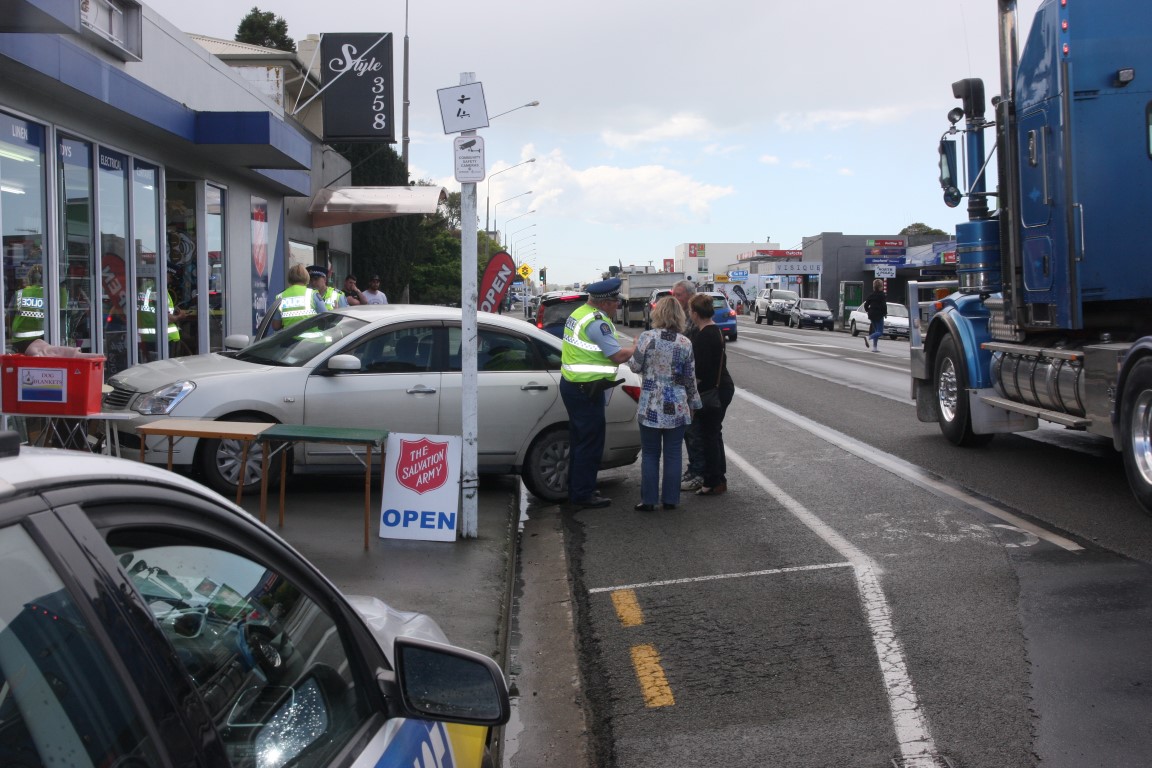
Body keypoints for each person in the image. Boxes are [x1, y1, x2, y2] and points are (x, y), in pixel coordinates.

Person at [560, 277, 636, 509]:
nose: (618, 307)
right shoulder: (596, 322)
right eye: (616, 302)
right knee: (589, 443)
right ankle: (583, 494)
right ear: (605, 303)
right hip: (585, 389)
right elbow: (617, 356)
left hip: (575, 386)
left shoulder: (580, 313)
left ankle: (578, 487)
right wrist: (636, 347)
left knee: (580, 440)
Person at [627, 296, 700, 511]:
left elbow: (634, 367)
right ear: (680, 316)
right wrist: (694, 404)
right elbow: (690, 378)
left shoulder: (647, 338)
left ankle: (648, 500)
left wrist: (634, 347)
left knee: (650, 453)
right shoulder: (685, 343)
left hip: (650, 404)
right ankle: (670, 500)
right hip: (676, 405)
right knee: (673, 453)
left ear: (657, 314)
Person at [689, 292, 734, 496]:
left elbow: (701, 371)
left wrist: (692, 396)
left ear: (696, 313)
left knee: (708, 435)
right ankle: (718, 478)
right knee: (714, 434)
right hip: (722, 387)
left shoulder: (703, 336)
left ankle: (712, 481)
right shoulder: (715, 330)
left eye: (691, 311)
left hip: (710, 390)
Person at [671, 279, 706, 492]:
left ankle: (698, 471)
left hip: (694, 384)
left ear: (690, 297)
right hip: (685, 384)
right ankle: (694, 468)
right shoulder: (681, 318)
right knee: (688, 431)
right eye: (673, 294)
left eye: (679, 295)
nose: (675, 298)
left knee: (695, 431)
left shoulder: (692, 323)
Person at [137, 265, 186, 360]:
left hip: (147, 337)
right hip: (165, 337)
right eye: (171, 277)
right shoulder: (161, 291)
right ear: (165, 274)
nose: (170, 281)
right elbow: (166, 318)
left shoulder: (143, 288)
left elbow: (151, 310)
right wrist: (180, 316)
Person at [273, 264, 326, 330]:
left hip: (289, 339)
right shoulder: (313, 294)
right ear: (307, 277)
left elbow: (276, 326)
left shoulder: (280, 296)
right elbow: (325, 319)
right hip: (312, 339)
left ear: (289, 278)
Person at [8, 265, 46, 353]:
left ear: (29, 278)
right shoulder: (48, 293)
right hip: (40, 341)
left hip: (18, 341)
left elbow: (8, 317)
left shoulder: (19, 293)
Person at [863, 278, 888, 353]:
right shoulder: (882, 295)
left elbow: (866, 305)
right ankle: (868, 337)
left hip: (871, 314)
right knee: (880, 332)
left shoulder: (871, 295)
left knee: (876, 331)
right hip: (879, 315)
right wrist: (885, 313)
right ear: (881, 287)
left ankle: (874, 347)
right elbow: (884, 305)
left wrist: (868, 311)